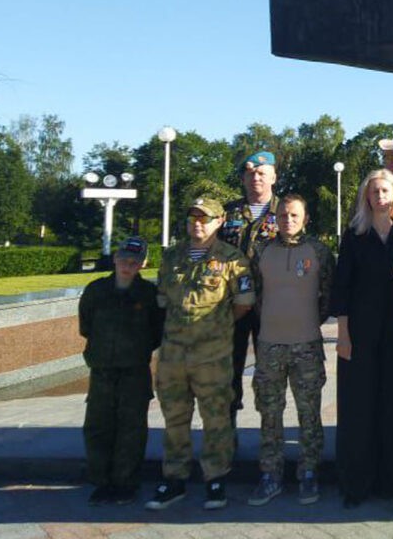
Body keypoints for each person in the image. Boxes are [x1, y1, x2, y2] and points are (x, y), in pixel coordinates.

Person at [146, 197, 255, 511]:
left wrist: (214, 326)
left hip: (212, 355)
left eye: (204, 218)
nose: (197, 223)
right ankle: (174, 478)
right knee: (175, 419)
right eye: (193, 217)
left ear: (220, 221)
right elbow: (164, 300)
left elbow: (244, 302)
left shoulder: (232, 260)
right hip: (173, 356)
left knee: (216, 419)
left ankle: (215, 478)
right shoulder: (171, 258)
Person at [246, 195, 335, 507]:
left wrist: (309, 321)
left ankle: (309, 471)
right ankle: (270, 474)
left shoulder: (319, 251)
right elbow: (255, 295)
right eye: (283, 215)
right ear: (276, 218)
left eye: (294, 215)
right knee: (269, 414)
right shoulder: (260, 251)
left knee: (309, 414)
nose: (288, 220)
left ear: (305, 218)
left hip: (307, 346)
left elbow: (328, 295)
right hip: (269, 346)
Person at [331, 169, 393, 507]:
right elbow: (342, 290)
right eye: (374, 192)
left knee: (392, 408)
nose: (380, 197)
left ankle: (389, 480)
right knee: (358, 410)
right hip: (360, 337)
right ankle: (356, 484)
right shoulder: (353, 236)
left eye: (386, 191)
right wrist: (343, 335)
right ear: (367, 197)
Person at [79, 236, 164, 505]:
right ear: (115, 258)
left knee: (131, 429)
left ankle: (125, 482)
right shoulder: (96, 291)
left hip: (134, 371)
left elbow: (156, 333)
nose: (128, 265)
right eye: (124, 259)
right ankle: (101, 481)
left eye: (134, 261)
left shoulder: (149, 295)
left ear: (143, 264)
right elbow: (86, 327)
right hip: (102, 370)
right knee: (98, 427)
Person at [218, 151, 281, 433]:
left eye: (262, 173)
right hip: (231, 305)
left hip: (270, 306)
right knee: (227, 372)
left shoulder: (285, 211)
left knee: (269, 374)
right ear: (244, 178)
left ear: (273, 177)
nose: (256, 178)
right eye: (251, 173)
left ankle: (270, 440)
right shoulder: (227, 212)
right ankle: (225, 443)